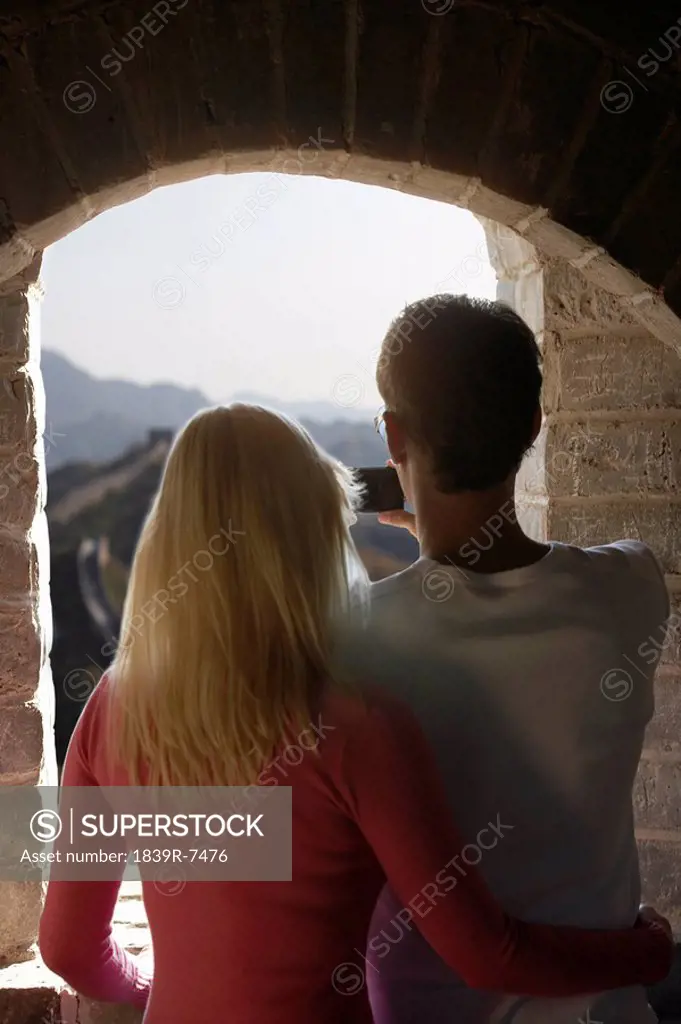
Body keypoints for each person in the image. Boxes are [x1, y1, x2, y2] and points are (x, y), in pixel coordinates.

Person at [39, 404, 673, 1024]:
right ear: (313, 533)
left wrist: (157, 985)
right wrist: (642, 953)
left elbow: (68, 948)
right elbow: (485, 954)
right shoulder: (356, 726)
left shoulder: (113, 709)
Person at [335, 294, 673, 1024]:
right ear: (532, 425)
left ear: (393, 436)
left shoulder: (355, 635)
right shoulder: (630, 589)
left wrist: (425, 532)